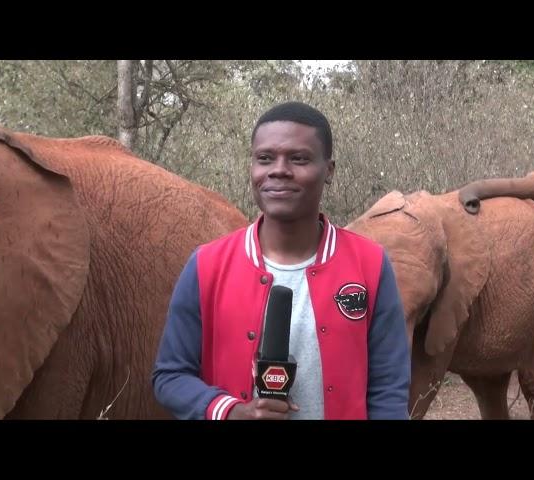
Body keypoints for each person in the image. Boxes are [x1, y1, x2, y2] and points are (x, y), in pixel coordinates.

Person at [152, 101, 411, 420]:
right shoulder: (207, 265)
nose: (278, 170)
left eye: (299, 158)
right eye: (265, 158)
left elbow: (389, 386)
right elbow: (170, 376)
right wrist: (230, 411)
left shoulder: (369, 265)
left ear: (328, 170)